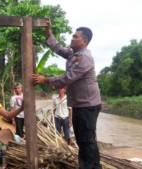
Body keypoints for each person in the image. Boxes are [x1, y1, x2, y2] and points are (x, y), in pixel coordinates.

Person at [32, 21, 102, 169]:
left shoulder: (84, 58)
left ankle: (90, 167)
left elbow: (68, 77)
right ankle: (94, 166)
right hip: (80, 104)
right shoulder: (74, 54)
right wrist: (48, 32)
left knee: (86, 141)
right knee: (86, 140)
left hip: (87, 105)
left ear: (84, 41)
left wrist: (45, 79)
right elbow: (57, 48)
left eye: (75, 36)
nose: (72, 38)